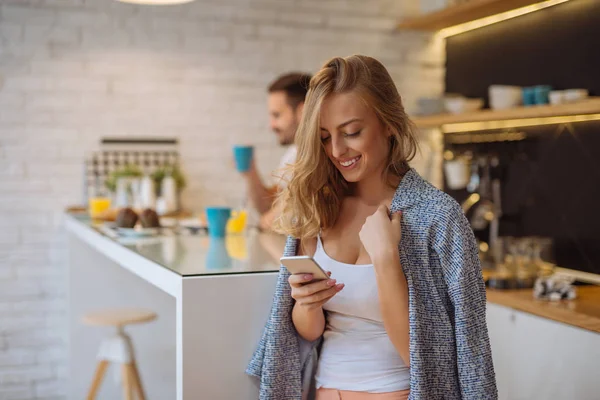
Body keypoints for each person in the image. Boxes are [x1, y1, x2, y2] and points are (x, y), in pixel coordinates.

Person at [247, 55, 497, 400]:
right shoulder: (317, 205)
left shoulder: (436, 218)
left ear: (389, 123)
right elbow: (308, 335)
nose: (336, 150)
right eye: (324, 137)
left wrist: (385, 258)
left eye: (352, 132)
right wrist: (306, 305)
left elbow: (428, 358)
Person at [241, 72, 312, 231]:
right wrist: (250, 171)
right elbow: (269, 208)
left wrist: (270, 219)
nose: (271, 125)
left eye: (277, 115)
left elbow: (275, 217)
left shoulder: (326, 155)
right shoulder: (293, 154)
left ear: (302, 111)